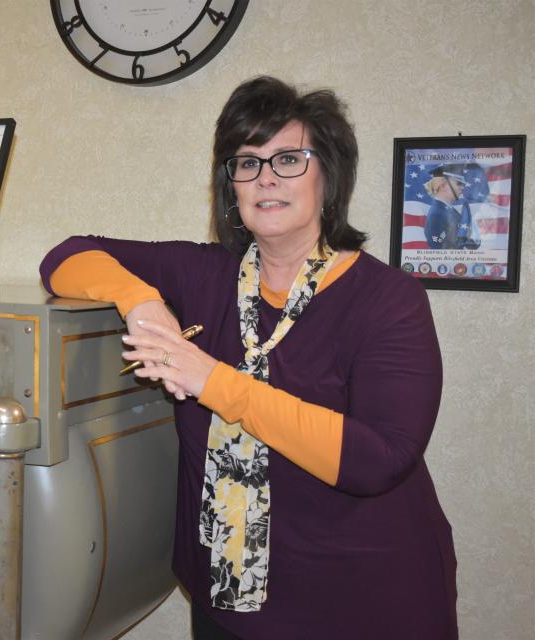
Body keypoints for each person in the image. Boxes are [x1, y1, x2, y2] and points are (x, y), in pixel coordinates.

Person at [39, 76, 457, 639]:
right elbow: (67, 255)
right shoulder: (203, 274)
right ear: (229, 184)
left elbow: (377, 459)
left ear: (328, 176)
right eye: (246, 163)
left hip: (362, 601)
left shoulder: (388, 299)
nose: (265, 178)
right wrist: (140, 302)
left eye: (288, 158)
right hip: (226, 599)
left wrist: (211, 379)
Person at [423, 165, 480, 250]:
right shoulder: (437, 214)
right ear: (443, 186)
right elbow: (438, 245)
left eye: (463, 184)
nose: (462, 187)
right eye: (459, 183)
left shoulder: (448, 210)